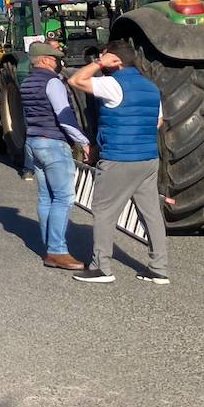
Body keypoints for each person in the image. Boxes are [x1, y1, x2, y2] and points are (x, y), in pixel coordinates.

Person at [69, 41, 169, 284]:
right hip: (147, 159)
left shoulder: (113, 84)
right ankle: (159, 269)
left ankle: (101, 268)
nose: (101, 60)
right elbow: (158, 121)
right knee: (151, 214)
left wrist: (97, 63)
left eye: (105, 57)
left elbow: (76, 81)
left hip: (119, 158)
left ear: (116, 60)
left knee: (104, 211)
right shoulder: (151, 88)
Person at [17, 42, 87, 271]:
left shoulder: (26, 83)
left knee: (45, 197)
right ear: (45, 60)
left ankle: (48, 246)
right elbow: (64, 115)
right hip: (53, 143)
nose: (58, 62)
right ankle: (57, 251)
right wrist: (83, 141)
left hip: (33, 141)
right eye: (55, 58)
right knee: (63, 197)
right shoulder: (52, 82)